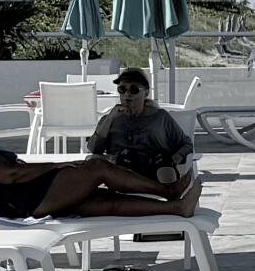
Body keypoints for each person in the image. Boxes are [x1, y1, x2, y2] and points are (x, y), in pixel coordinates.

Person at [0, 92, 196, 219]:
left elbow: (11, 173)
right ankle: (168, 190)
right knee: (96, 166)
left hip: (23, 197)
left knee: (100, 201)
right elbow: (10, 175)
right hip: (23, 201)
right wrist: (56, 165)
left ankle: (174, 208)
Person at [86, 67, 204, 215]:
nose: (127, 95)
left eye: (134, 90)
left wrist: (177, 157)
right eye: (122, 89)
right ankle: (172, 196)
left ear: (146, 93)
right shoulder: (111, 119)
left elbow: (186, 143)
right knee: (94, 162)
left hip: (154, 170)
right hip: (122, 173)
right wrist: (109, 119)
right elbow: (93, 149)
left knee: (164, 164)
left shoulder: (160, 118)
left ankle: (173, 208)